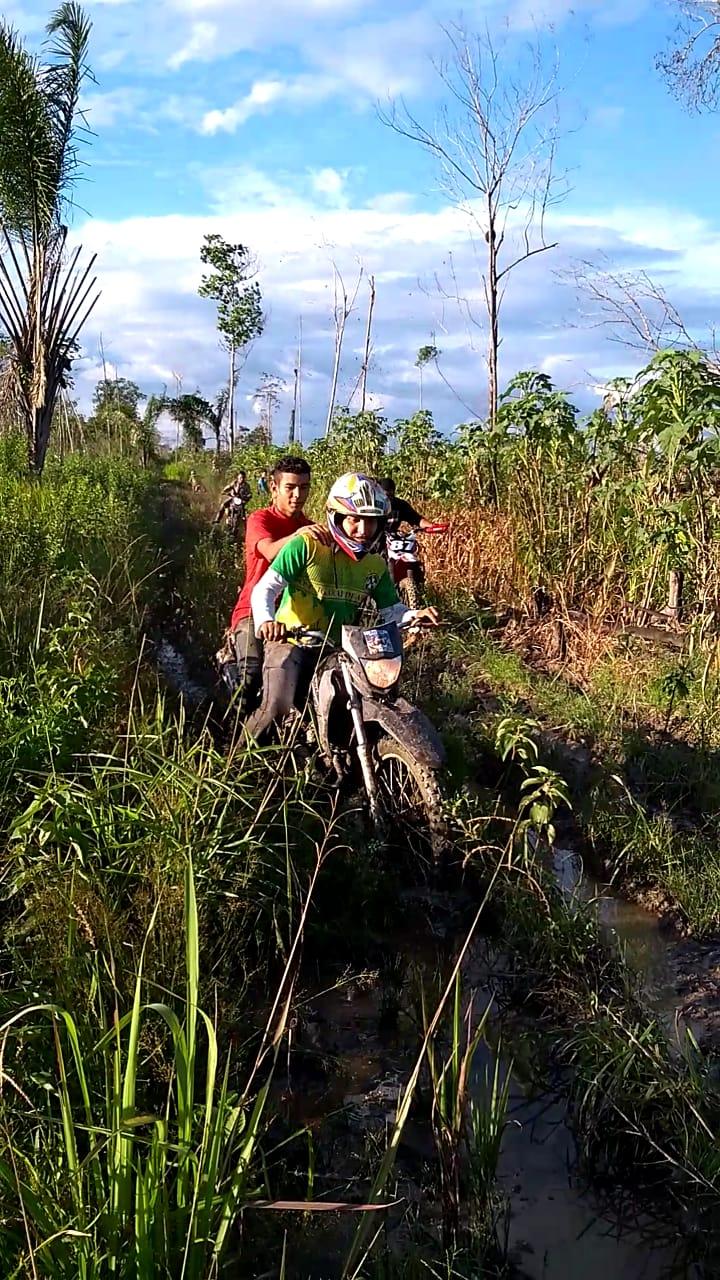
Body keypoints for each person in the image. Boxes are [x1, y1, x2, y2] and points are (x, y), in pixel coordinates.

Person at [245, 473, 439, 742]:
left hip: (340, 649)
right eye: (354, 519)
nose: (362, 529)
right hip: (291, 640)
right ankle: (237, 762)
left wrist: (414, 615)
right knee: (276, 706)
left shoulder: (375, 565)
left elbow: (390, 609)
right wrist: (268, 621)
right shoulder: (307, 546)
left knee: (359, 703)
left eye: (371, 520)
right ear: (336, 517)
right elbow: (266, 589)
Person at [220, 456, 328, 712]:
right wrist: (299, 536)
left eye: (304, 487)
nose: (297, 495)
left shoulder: (309, 527)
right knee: (251, 675)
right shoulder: (261, 519)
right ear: (273, 487)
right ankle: (235, 733)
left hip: (294, 616)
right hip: (254, 612)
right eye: (290, 487)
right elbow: (269, 551)